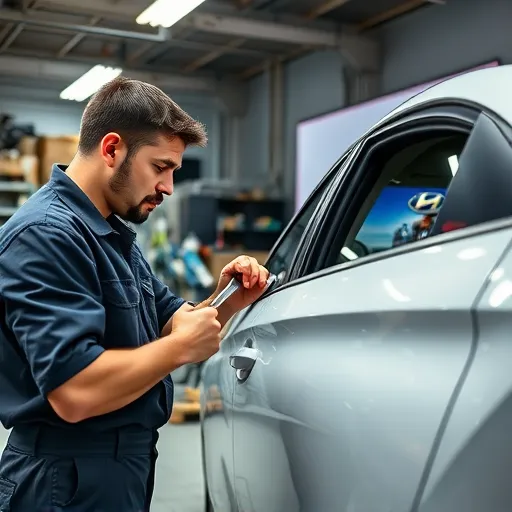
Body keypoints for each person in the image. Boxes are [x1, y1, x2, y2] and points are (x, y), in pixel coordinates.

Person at [0, 76, 269, 511]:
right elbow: (74, 391)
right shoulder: (46, 235)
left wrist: (227, 300)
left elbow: (177, 320)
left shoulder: (110, 234)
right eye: (160, 167)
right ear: (111, 149)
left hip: (116, 470)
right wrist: (180, 348)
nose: (167, 187)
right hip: (63, 481)